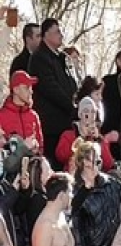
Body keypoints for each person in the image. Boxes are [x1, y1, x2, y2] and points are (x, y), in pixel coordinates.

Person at [27, 19, 78, 170]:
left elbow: (71, 83)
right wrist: (70, 106)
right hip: (51, 125)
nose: (61, 35)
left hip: (65, 123)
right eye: (57, 32)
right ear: (46, 35)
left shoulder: (61, 58)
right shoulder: (39, 58)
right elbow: (50, 88)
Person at [56, 97, 116, 173]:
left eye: (93, 112)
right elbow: (61, 157)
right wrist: (80, 139)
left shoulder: (99, 137)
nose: (89, 115)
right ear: (80, 114)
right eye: (86, 111)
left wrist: (99, 141)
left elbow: (108, 164)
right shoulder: (68, 135)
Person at [0, 70, 44, 154]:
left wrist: (37, 150)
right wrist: (22, 147)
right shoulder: (1, 116)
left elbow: (41, 147)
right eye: (27, 88)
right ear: (16, 90)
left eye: (31, 88)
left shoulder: (33, 116)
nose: (31, 91)